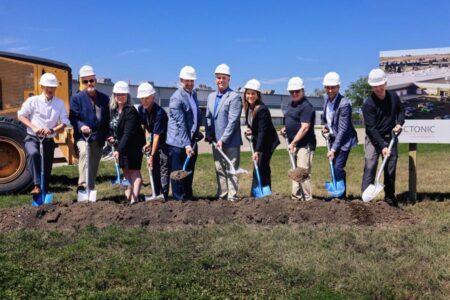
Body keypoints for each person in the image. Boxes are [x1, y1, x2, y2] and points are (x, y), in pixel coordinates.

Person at [17, 73, 70, 195]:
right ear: (42, 87)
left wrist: (52, 130)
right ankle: (36, 185)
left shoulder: (60, 103)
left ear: (55, 88)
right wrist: (34, 127)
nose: (50, 89)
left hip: (48, 139)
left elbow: (65, 121)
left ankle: (44, 189)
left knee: (46, 166)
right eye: (47, 87)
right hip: (32, 137)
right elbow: (21, 115)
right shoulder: (32, 101)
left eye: (52, 87)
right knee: (33, 153)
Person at [362, 68, 404, 207]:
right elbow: (371, 129)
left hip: (390, 137)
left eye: (380, 85)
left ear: (385, 83)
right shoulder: (368, 104)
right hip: (374, 139)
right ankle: (365, 199)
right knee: (370, 166)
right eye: (375, 86)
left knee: (390, 168)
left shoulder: (393, 97)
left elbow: (400, 110)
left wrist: (399, 123)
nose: (378, 88)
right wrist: (382, 146)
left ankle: (390, 198)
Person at [69, 65, 110, 192]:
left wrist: (108, 134)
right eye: (85, 81)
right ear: (81, 82)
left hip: (98, 136)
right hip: (83, 136)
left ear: (95, 80)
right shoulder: (77, 98)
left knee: (93, 164)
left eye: (91, 80)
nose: (89, 83)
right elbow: (73, 118)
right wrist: (81, 126)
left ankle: (90, 188)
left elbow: (106, 119)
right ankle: (82, 184)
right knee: (84, 153)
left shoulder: (104, 98)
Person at [205, 64, 243, 201]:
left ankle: (232, 196)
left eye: (223, 78)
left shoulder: (234, 97)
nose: (221, 80)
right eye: (218, 78)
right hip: (216, 141)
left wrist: (223, 139)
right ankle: (222, 194)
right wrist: (209, 133)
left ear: (229, 79)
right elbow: (208, 116)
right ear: (215, 79)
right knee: (219, 168)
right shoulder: (211, 96)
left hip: (231, 141)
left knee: (231, 168)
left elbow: (233, 121)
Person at [166, 66, 202, 200]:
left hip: (191, 139)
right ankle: (179, 201)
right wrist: (187, 145)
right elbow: (180, 124)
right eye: (187, 80)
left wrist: (196, 132)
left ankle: (188, 199)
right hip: (178, 144)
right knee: (178, 174)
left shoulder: (194, 94)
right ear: (181, 80)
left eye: (192, 80)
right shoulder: (176, 98)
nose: (190, 83)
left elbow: (195, 115)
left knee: (188, 172)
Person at [321, 72, 358, 200]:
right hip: (332, 138)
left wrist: (333, 149)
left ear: (338, 87)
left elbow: (342, 130)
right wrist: (325, 126)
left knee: (337, 167)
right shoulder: (326, 99)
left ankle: (340, 198)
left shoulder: (344, 104)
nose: (330, 90)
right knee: (333, 166)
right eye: (328, 87)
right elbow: (325, 118)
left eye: (333, 87)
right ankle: (337, 195)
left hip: (344, 140)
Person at [107, 81, 145, 204]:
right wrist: (113, 137)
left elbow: (128, 134)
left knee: (134, 172)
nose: (120, 96)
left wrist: (118, 150)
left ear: (127, 96)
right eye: (118, 94)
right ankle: (128, 198)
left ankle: (134, 201)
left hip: (133, 146)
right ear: (114, 95)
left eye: (123, 94)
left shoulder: (131, 111)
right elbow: (115, 128)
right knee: (126, 172)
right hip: (122, 145)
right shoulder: (114, 110)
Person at [281, 76, 316, 201]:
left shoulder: (306, 106)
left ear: (303, 90)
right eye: (292, 92)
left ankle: (307, 200)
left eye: (297, 91)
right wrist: (286, 129)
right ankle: (296, 199)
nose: (294, 94)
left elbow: (305, 127)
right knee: (295, 174)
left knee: (302, 173)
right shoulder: (291, 105)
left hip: (304, 145)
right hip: (294, 145)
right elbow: (292, 121)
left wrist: (294, 142)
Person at [243, 79, 280, 195]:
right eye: (248, 93)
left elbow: (263, 132)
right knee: (258, 166)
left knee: (261, 166)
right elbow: (254, 126)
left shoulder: (262, 109)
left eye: (253, 93)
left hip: (267, 143)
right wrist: (250, 131)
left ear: (258, 95)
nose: (250, 96)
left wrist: (258, 151)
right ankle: (257, 192)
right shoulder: (248, 107)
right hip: (259, 140)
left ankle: (264, 193)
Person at [137, 82, 169, 201]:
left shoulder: (159, 113)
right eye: (142, 98)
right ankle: (156, 194)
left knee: (163, 169)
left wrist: (151, 155)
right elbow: (146, 127)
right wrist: (148, 143)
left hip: (164, 143)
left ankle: (164, 196)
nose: (144, 101)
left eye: (147, 98)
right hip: (154, 141)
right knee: (153, 168)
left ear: (153, 97)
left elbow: (157, 136)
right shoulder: (141, 109)